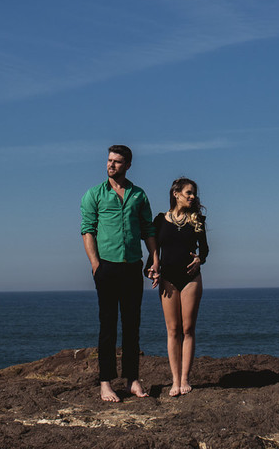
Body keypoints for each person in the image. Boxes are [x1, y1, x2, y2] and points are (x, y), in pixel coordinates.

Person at [80, 144, 160, 401]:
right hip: (106, 266)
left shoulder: (138, 195)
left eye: (116, 161)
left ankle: (132, 380)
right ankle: (105, 382)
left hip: (132, 266)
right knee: (108, 326)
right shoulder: (94, 194)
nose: (110, 165)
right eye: (109, 160)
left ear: (127, 165)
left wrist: (155, 259)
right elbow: (87, 230)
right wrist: (95, 264)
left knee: (132, 325)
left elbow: (148, 229)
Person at [153, 177, 208, 396]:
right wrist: (151, 269)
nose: (192, 196)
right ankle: (175, 380)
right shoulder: (160, 220)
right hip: (168, 278)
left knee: (188, 329)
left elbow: (205, 249)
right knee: (173, 330)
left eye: (194, 193)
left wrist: (200, 259)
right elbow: (154, 252)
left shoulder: (197, 220)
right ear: (176, 194)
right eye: (188, 193)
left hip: (190, 278)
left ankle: (185, 378)